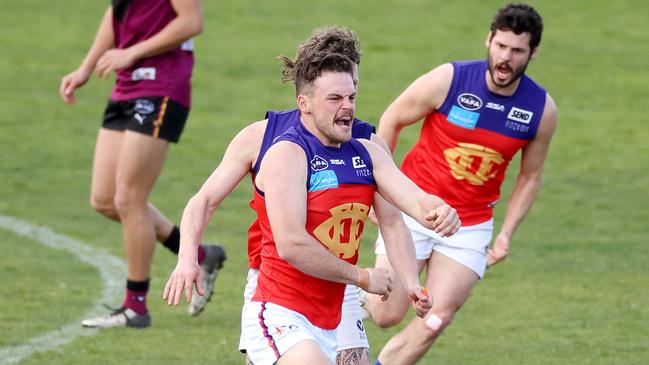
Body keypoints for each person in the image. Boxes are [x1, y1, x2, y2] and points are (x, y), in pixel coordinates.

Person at [163, 27, 432, 365]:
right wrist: (188, 256)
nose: (347, 104)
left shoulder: (365, 144)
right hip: (276, 284)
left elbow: (393, 219)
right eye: (335, 95)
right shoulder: (265, 138)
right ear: (308, 92)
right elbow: (204, 200)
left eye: (352, 90)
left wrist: (410, 280)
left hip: (337, 283)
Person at [362, 3, 558, 364]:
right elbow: (391, 118)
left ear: (532, 53)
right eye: (500, 46)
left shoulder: (540, 109)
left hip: (470, 226)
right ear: (489, 40)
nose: (505, 58)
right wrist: (382, 193)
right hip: (415, 209)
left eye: (517, 51)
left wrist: (506, 233)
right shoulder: (450, 80)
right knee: (387, 314)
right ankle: (350, 296)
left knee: (434, 319)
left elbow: (530, 177)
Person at [59, 0, 225, 328]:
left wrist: (132, 51)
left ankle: (135, 306)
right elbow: (117, 11)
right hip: (125, 86)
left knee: (129, 199)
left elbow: (191, 22)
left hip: (161, 84)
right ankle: (202, 255)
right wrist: (85, 67)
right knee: (105, 200)